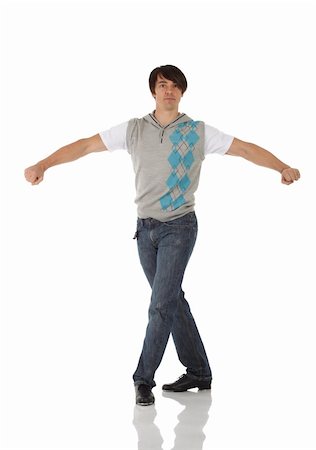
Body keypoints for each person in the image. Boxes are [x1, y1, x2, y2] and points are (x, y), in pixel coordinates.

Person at [24, 65, 300, 407]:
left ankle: (143, 379)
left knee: (160, 306)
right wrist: (43, 165)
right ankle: (199, 370)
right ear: (153, 91)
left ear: (182, 92)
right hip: (144, 229)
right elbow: (83, 146)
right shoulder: (134, 130)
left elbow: (244, 149)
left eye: (174, 86)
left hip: (180, 227)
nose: (168, 90)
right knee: (171, 301)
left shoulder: (198, 131)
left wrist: (282, 167)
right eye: (162, 85)